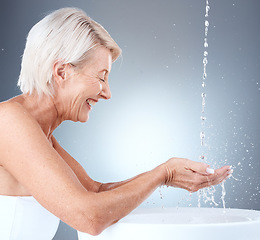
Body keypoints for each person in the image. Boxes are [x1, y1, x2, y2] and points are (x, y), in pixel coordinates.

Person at [0, 7, 231, 239]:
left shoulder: (39, 132)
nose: (107, 93)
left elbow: (94, 191)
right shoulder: (8, 121)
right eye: (101, 77)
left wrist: (168, 175)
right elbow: (89, 217)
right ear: (62, 72)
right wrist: (164, 174)